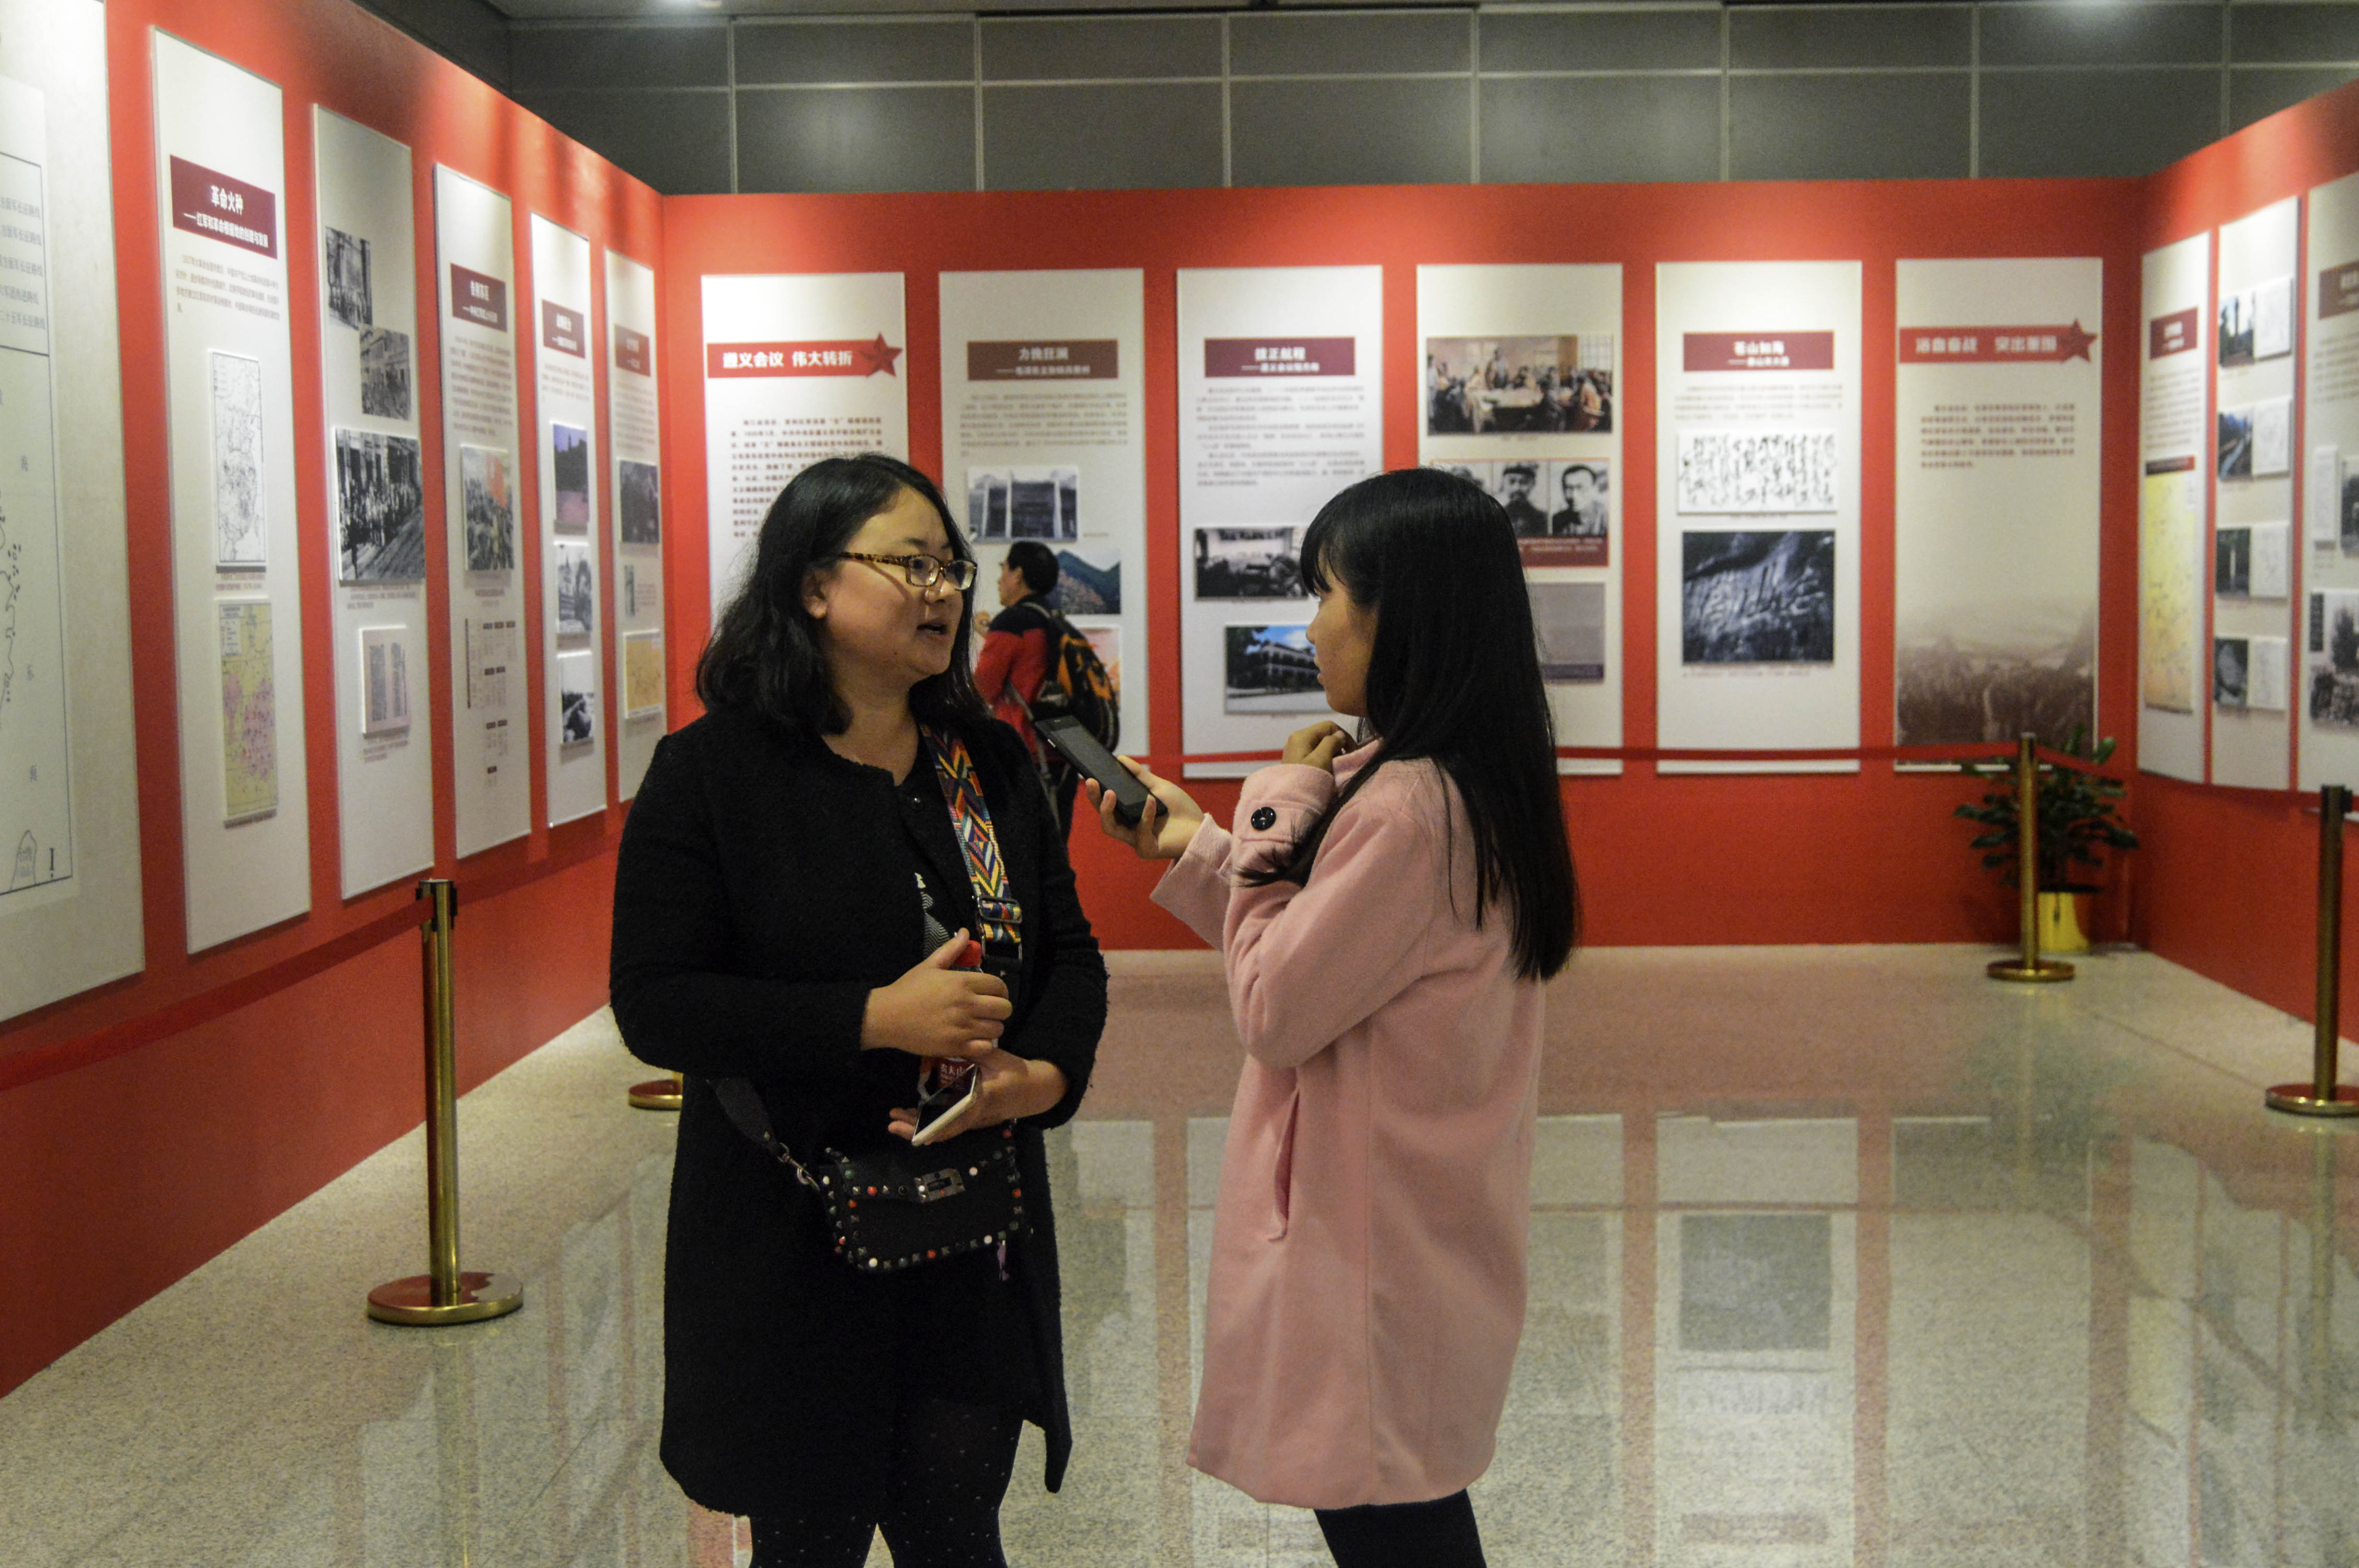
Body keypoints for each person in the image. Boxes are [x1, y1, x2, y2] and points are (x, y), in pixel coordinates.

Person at [610, 454, 1107, 1568]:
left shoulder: (986, 764)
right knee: (808, 1543)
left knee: (957, 1531)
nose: (942, 591)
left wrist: (1038, 1080)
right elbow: (657, 1003)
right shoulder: (711, 774)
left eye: (951, 567)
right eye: (910, 564)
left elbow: (1070, 957)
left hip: (966, 1234)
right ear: (813, 586)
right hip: (789, 1244)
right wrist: (873, 1018)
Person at [1085, 468, 1581, 1568]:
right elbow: (1335, 960)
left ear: (1402, 615)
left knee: (1391, 1523)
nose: (1308, 628)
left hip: (1369, 1255)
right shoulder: (1460, 785)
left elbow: (1275, 1007)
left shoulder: (1401, 810)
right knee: (1403, 1512)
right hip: (1416, 1234)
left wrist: (1277, 807)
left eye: (1326, 594)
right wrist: (1205, 850)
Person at [975, 539, 1078, 832]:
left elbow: (983, 688)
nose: (1000, 579)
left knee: (1020, 846)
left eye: (1004, 569)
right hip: (1059, 753)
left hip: (1023, 754)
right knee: (1054, 845)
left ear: (1018, 575)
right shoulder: (1052, 619)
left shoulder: (1011, 623)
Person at [1550, 463, 1608, 537]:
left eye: (1580, 488)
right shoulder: (1556, 520)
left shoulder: (1608, 518)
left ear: (1594, 488)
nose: (1574, 496)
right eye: (1569, 488)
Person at [1495, 462, 1546, 537]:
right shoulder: (1496, 517)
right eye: (1512, 482)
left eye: (1524, 482)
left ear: (1533, 484)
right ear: (1503, 484)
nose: (1517, 488)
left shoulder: (1542, 519)